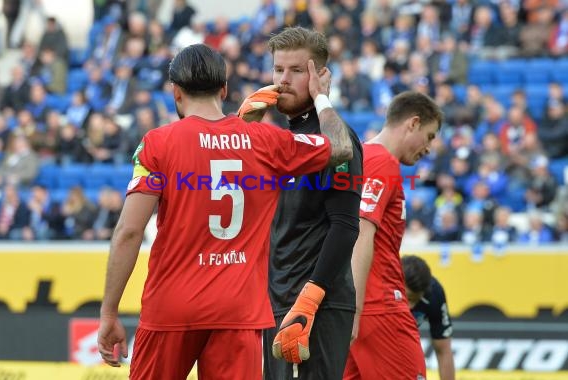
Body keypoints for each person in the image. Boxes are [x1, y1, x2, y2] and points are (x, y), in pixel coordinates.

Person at [96, 43, 354, 380]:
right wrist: (322, 97)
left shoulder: (158, 143)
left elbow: (129, 231)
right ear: (224, 89)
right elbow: (341, 146)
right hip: (239, 311)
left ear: (176, 92)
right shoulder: (266, 140)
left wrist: (109, 312)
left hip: (172, 307)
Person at [239, 26, 363, 380]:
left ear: (320, 76)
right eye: (278, 70)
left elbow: (345, 226)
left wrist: (310, 300)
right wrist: (241, 127)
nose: (283, 80)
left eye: (296, 70)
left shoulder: (335, 138)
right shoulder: (279, 139)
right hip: (277, 298)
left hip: (314, 303)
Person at [345, 91, 443, 380]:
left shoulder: (362, 157)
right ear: (413, 123)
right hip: (380, 307)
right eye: (430, 136)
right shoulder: (382, 163)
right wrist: (356, 307)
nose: (428, 148)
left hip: (363, 308)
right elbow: (361, 233)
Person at [402, 254, 456, 380]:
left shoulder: (434, 294)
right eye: (407, 298)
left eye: (415, 300)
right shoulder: (378, 285)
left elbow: (443, 350)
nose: (410, 307)